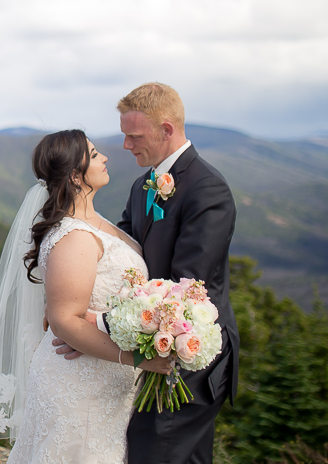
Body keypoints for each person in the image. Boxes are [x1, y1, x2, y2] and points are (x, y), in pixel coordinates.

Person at [54, 83, 239, 464]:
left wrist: (99, 325)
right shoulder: (143, 186)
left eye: (134, 136)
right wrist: (74, 312)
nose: (125, 145)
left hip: (189, 359)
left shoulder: (208, 190)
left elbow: (188, 289)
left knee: (157, 453)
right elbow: (122, 257)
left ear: (166, 129)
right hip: (152, 346)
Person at [0, 129, 171, 463]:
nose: (105, 157)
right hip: (79, 385)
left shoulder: (99, 222)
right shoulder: (75, 236)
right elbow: (64, 319)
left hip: (107, 382)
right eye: (94, 155)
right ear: (76, 177)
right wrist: (142, 359)